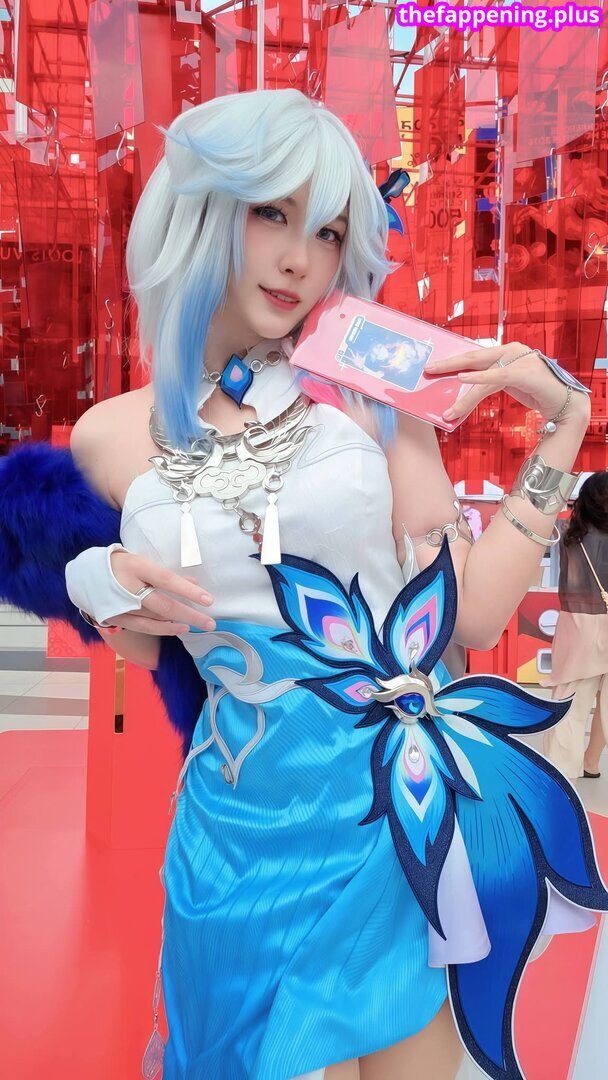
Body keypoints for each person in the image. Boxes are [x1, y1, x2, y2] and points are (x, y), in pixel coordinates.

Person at [1, 89, 606, 1080]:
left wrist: (562, 435)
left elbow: (474, 612)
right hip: (234, 835)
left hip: (397, 818)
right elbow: (145, 643)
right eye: (270, 214)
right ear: (201, 210)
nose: (297, 259)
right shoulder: (110, 436)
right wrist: (90, 576)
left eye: (325, 232)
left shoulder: (370, 399)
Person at [544, 472, 608, 779]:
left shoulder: (569, 534)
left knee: (570, 701)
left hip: (577, 624)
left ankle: (561, 770)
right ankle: (591, 763)